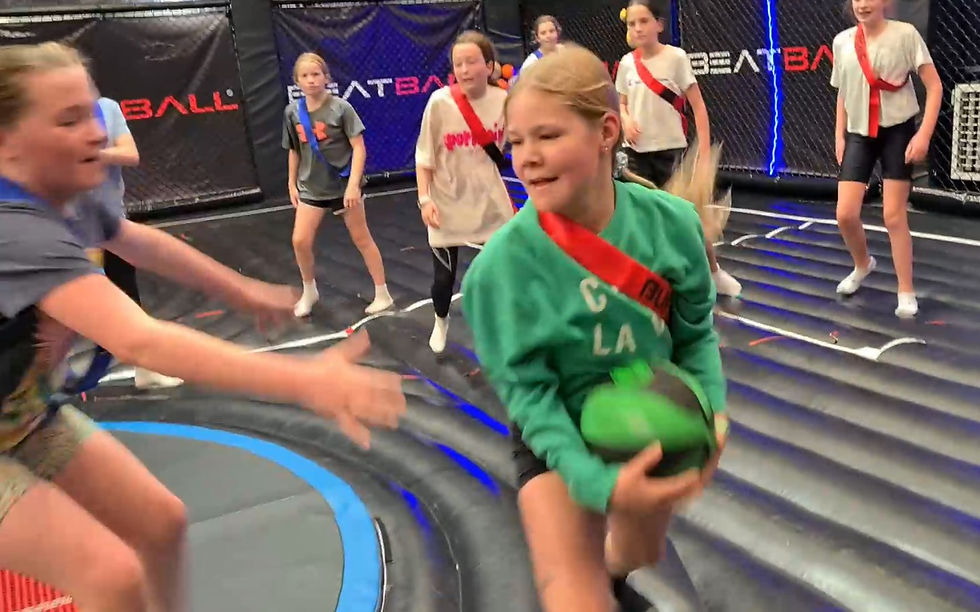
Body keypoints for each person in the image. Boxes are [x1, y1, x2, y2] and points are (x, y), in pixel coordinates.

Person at [0, 42, 405, 612]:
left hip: (24, 416)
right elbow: (139, 339)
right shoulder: (15, 228)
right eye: (68, 121)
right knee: (111, 576)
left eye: (92, 112)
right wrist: (305, 381)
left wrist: (240, 290)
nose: (95, 133)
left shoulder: (64, 196)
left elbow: (138, 241)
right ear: (6, 144)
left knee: (161, 522)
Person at [462, 44, 727, 611]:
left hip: (649, 412)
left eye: (548, 136)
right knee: (574, 597)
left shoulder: (673, 227)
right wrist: (593, 481)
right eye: (516, 142)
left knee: (636, 552)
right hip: (557, 425)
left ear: (606, 131)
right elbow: (530, 396)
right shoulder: (500, 272)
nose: (527, 157)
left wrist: (712, 410)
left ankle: (607, 568)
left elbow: (695, 333)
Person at [617, 0, 742, 297]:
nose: (637, 28)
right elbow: (621, 104)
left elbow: (698, 107)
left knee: (689, 216)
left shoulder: (676, 58)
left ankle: (713, 271)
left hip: (671, 151)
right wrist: (626, 120)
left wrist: (704, 153)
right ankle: (651, 279)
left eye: (644, 21)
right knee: (640, 220)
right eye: (632, 23)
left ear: (659, 24)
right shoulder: (625, 63)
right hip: (636, 154)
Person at [831, 0, 941, 318]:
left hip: (897, 133)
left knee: (894, 216)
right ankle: (863, 264)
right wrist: (839, 135)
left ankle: (905, 289)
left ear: (885, 2)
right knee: (845, 214)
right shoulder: (842, 42)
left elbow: (934, 87)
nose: (863, 4)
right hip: (859, 134)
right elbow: (842, 92)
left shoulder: (904, 35)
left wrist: (923, 135)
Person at [415, 30, 514, 353]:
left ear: (489, 65)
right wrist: (425, 198)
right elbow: (424, 157)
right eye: (459, 63)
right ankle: (440, 320)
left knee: (502, 275)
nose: (465, 69)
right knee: (443, 280)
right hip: (446, 204)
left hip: (490, 203)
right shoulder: (440, 103)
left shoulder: (505, 101)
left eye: (472, 62)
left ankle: (503, 331)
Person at [284, 52, 393, 318]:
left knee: (361, 237)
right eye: (305, 76)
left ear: (326, 77)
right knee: (300, 240)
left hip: (343, 187)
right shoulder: (292, 113)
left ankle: (383, 293)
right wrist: (291, 183)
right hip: (311, 188)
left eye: (316, 74)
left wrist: (354, 185)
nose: (311, 80)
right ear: (297, 81)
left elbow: (358, 147)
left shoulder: (341, 108)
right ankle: (309, 290)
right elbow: (294, 150)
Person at [84, 95, 182, 389]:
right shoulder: (44, 118)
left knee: (127, 294)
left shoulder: (106, 108)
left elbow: (130, 154)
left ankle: (146, 369)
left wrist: (92, 154)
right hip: (66, 229)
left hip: (110, 222)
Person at [511, 15, 564, 85]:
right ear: (537, 38)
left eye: (551, 31)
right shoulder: (532, 62)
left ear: (557, 32)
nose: (548, 36)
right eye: (543, 33)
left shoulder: (565, 52)